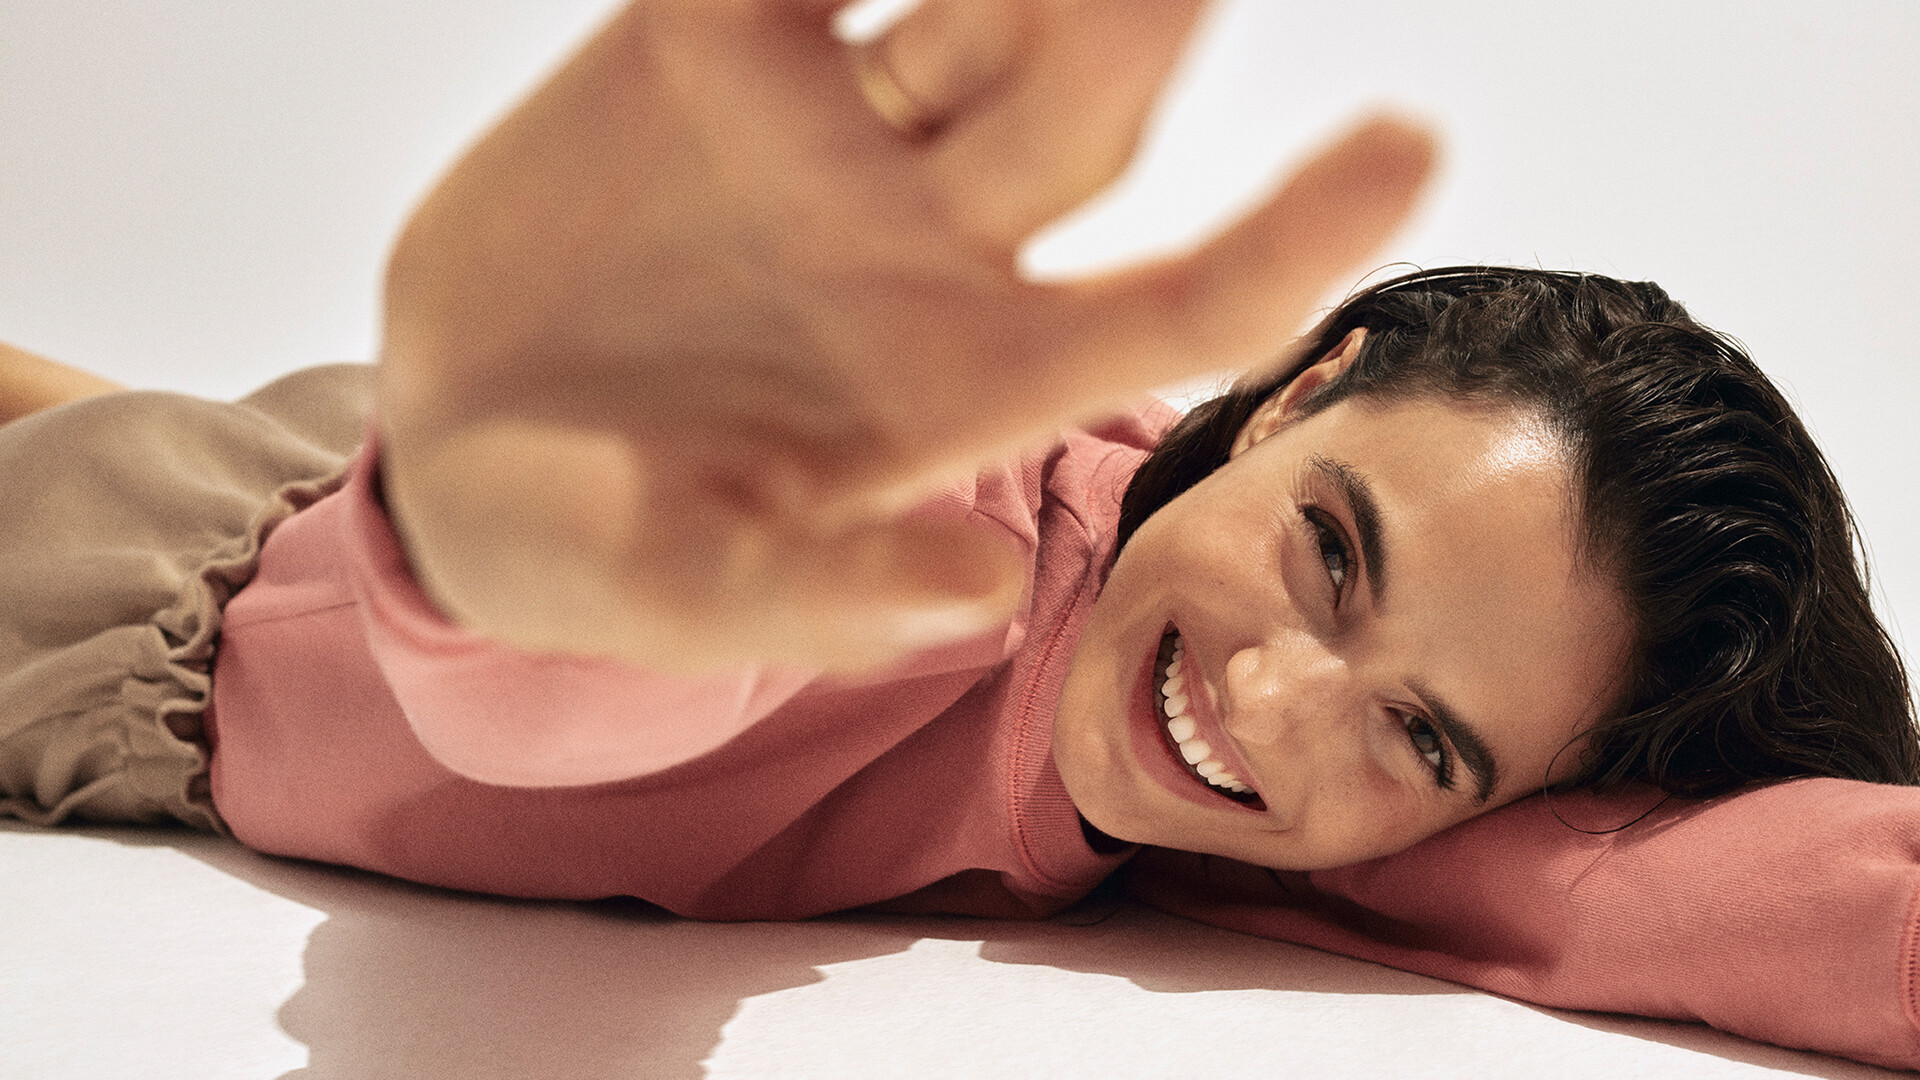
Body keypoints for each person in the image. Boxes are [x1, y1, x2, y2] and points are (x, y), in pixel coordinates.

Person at [4, 0, 1919, 1068]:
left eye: (1422, 733)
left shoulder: (1326, 807)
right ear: (1293, 393)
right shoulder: (921, 554)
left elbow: (1711, 887)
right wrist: (544, 566)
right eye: (1333, 556)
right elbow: (619, 676)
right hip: (151, 595)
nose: (1273, 704)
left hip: (352, 487)